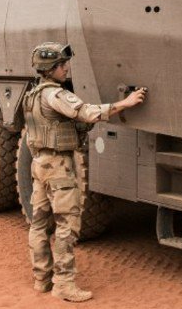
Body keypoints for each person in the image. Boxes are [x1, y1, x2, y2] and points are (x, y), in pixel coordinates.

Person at [23, 42, 146, 302]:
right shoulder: (56, 95)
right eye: (61, 64)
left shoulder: (33, 94)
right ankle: (64, 284)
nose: (66, 68)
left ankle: (41, 279)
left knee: (39, 224)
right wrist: (126, 103)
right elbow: (88, 113)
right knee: (67, 226)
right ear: (50, 68)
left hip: (40, 164)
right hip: (59, 168)